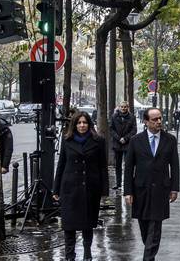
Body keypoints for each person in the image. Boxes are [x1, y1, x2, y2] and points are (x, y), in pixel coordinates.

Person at [124, 107, 180, 261]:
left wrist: (174, 188)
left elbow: (174, 165)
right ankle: (150, 253)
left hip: (161, 189)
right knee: (144, 228)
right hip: (141, 189)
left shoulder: (170, 140)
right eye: (155, 119)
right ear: (146, 121)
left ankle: (147, 258)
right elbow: (129, 167)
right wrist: (128, 191)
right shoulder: (136, 140)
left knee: (155, 228)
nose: (159, 122)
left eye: (160, 118)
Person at [52, 112, 108, 261]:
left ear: (89, 124)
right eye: (79, 123)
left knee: (87, 223)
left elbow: (103, 166)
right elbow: (61, 165)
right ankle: (70, 255)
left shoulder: (98, 141)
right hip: (70, 187)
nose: (82, 125)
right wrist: (56, 189)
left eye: (85, 122)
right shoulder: (67, 140)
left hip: (90, 188)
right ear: (74, 125)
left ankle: (87, 253)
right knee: (69, 224)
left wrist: (104, 189)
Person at [110, 101, 138, 190]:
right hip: (117, 144)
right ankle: (118, 184)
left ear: (128, 107)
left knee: (128, 165)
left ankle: (127, 184)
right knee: (117, 165)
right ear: (119, 107)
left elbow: (134, 130)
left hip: (128, 144)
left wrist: (125, 138)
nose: (123, 108)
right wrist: (118, 138)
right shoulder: (114, 116)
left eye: (125, 107)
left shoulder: (132, 117)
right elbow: (111, 129)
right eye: (122, 107)